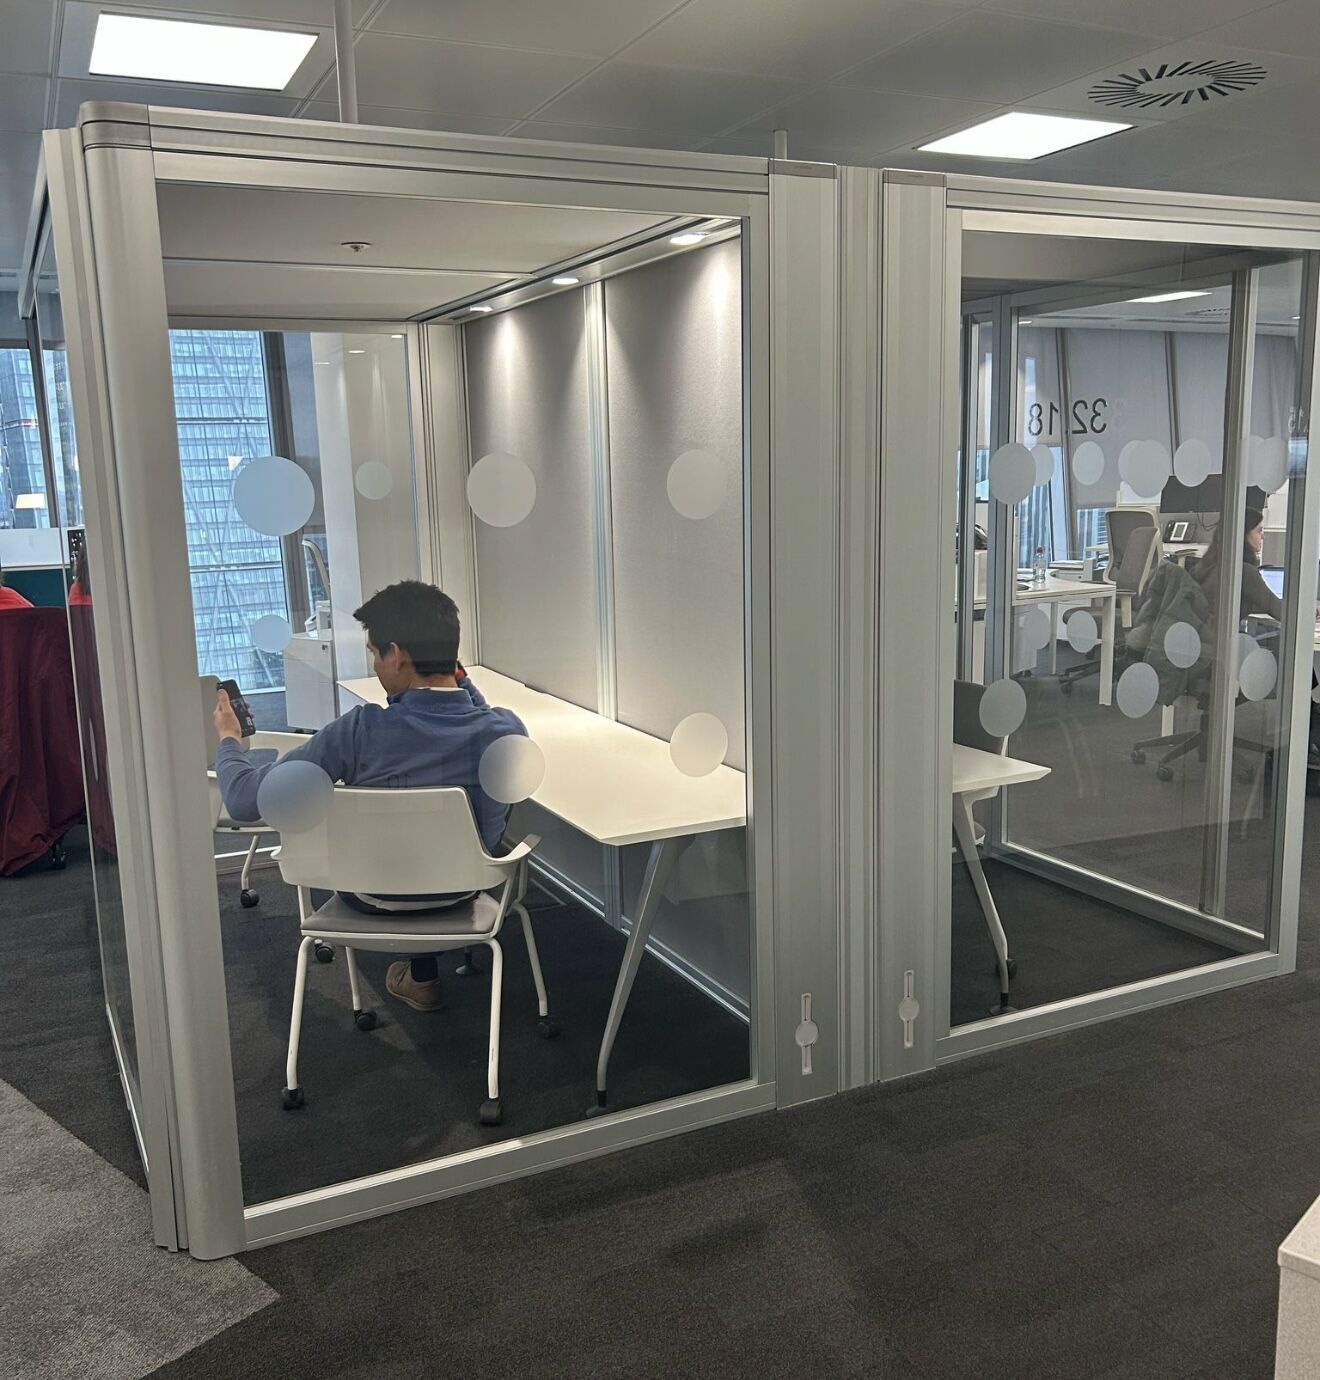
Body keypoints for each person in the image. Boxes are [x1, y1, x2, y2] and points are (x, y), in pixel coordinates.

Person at [214, 580, 527, 1012]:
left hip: (373, 898)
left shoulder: (359, 732)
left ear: (395, 654)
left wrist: (229, 740)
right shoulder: (505, 731)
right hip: (464, 894)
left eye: (376, 654)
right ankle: (421, 976)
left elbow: (244, 799)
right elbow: (479, 714)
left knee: (404, 835)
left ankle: (420, 978)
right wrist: (460, 682)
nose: (376, 667)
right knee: (430, 831)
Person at [1190, 506, 1283, 622]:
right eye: (1259, 531)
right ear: (1243, 535)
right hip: (1218, 632)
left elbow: (1258, 601)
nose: (1263, 536)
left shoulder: (1208, 566)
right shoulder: (1243, 571)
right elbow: (1279, 611)